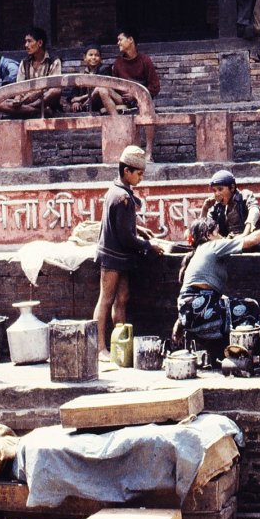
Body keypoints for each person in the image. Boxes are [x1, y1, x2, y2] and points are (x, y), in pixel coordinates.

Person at [176, 211, 260, 351]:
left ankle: (226, 352)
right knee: (250, 307)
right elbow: (250, 241)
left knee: (232, 304)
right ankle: (247, 353)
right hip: (200, 309)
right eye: (218, 232)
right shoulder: (213, 246)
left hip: (189, 311)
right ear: (208, 235)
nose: (221, 236)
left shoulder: (200, 251)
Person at [93, 145, 164, 360]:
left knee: (122, 298)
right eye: (139, 173)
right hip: (113, 255)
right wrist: (148, 245)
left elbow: (121, 225)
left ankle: (120, 343)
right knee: (106, 300)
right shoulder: (121, 197)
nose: (141, 178)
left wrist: (140, 230)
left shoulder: (117, 191)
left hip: (122, 256)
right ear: (127, 172)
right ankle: (99, 347)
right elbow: (125, 237)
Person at [111, 29, 161, 159]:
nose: (118, 43)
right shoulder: (118, 63)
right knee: (104, 91)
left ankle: (149, 151)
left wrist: (137, 95)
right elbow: (114, 86)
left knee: (148, 108)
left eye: (120, 39)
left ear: (131, 39)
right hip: (122, 100)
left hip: (141, 100)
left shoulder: (145, 60)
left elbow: (155, 86)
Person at [0, 27, 62, 118]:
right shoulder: (24, 63)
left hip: (45, 100)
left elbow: (54, 87)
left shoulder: (53, 61)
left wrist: (36, 93)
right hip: (27, 101)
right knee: (0, 103)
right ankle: (36, 111)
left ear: (39, 43)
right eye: (25, 42)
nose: (26, 45)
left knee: (55, 91)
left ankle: (27, 110)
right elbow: (19, 88)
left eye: (29, 41)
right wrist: (17, 99)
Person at [200, 169, 260, 242]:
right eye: (214, 191)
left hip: (250, 242)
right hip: (230, 243)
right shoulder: (218, 206)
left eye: (220, 189)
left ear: (232, 188)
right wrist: (205, 209)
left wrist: (245, 234)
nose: (217, 194)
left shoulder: (244, 196)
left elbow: (254, 211)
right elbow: (205, 227)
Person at [66, 43, 111, 114]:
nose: (93, 57)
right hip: (86, 107)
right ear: (85, 57)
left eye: (97, 55)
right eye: (90, 55)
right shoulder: (82, 74)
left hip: (100, 106)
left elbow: (100, 90)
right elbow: (74, 94)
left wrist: (81, 98)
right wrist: (76, 102)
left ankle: (84, 106)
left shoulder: (105, 70)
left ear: (100, 58)